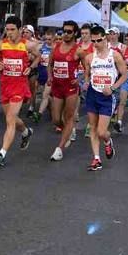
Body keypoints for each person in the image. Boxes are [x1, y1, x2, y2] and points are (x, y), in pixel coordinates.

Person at [0, 16, 40, 167]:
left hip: (19, 87)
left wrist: (31, 67)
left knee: (10, 119)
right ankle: (25, 132)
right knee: (11, 118)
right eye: (7, 29)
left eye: (12, 30)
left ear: (20, 30)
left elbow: (39, 57)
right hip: (5, 86)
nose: (9, 33)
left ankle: (2, 154)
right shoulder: (0, 45)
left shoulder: (27, 45)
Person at [83, 26, 128, 172]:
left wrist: (113, 88)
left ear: (105, 38)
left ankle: (108, 141)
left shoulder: (114, 55)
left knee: (102, 132)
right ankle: (96, 158)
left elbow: (125, 75)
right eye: (93, 41)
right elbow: (87, 74)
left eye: (99, 40)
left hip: (107, 96)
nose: (96, 43)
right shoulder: (89, 57)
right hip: (92, 94)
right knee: (93, 128)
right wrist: (85, 82)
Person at [48, 21, 87, 161]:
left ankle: (59, 148)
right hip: (57, 87)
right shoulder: (56, 47)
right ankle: (68, 131)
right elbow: (50, 64)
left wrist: (81, 79)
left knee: (69, 116)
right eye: (64, 31)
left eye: (69, 31)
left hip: (70, 88)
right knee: (56, 119)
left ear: (75, 33)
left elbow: (87, 68)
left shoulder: (78, 50)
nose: (66, 34)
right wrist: (50, 76)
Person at [34, 28, 55, 124]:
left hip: (51, 75)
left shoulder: (56, 48)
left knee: (45, 95)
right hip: (41, 73)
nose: (48, 41)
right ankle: (53, 109)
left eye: (50, 39)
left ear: (54, 38)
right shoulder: (41, 47)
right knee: (47, 96)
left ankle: (39, 114)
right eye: (46, 39)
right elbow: (34, 52)